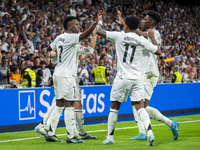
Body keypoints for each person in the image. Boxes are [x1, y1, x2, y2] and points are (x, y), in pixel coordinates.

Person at [96, 14, 161, 146]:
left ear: (125, 26)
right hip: (136, 78)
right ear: (137, 27)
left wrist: (100, 21)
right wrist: (152, 38)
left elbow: (98, 31)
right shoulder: (141, 40)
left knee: (114, 108)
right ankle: (150, 133)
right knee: (140, 107)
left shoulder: (119, 35)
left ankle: (110, 137)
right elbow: (158, 51)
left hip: (122, 78)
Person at [38, 12, 102, 143]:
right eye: (76, 25)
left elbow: (49, 49)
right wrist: (95, 23)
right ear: (69, 27)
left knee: (60, 104)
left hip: (58, 74)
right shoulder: (71, 38)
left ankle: (49, 131)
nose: (79, 26)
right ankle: (71, 136)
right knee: (70, 105)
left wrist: (52, 55)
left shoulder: (59, 38)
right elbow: (84, 36)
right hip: (67, 76)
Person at [120, 11, 179, 141]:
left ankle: (171, 123)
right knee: (135, 103)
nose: (143, 21)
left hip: (148, 73)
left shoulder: (154, 33)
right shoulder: (143, 35)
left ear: (151, 22)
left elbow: (148, 40)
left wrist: (132, 27)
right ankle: (142, 132)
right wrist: (125, 24)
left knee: (143, 106)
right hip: (141, 73)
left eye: (145, 19)